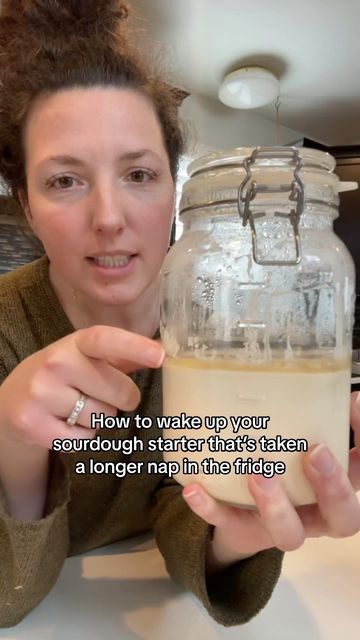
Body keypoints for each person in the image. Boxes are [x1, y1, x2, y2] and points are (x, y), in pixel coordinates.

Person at [0, 0, 359, 630]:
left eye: (139, 172)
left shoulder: (217, 327)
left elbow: (189, 497)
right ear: (26, 204)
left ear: (174, 187)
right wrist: (13, 443)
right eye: (64, 181)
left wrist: (241, 531)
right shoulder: (7, 329)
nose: (109, 216)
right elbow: (10, 598)